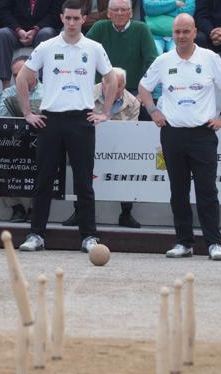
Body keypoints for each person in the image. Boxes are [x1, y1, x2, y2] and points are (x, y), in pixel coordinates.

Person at [17, 0, 118, 253]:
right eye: (68, 18)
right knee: (43, 181)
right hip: (50, 120)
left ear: (84, 19)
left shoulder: (94, 47)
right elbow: (22, 77)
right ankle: (36, 235)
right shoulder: (46, 46)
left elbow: (111, 78)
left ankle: (89, 236)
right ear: (61, 17)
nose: (72, 23)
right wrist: (27, 112)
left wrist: (105, 112)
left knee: (84, 181)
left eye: (76, 18)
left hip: (81, 120)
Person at [138, 13, 221, 261]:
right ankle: (184, 242)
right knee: (178, 191)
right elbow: (143, 88)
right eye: (177, 32)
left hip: (203, 134)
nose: (181, 36)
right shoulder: (163, 60)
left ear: (194, 32)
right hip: (172, 134)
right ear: (173, 34)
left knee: (207, 191)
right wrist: (154, 111)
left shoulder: (210, 58)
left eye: (185, 31)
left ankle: (214, 243)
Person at [63, 0, 155, 228]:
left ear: (131, 13)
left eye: (124, 10)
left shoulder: (142, 29)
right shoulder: (101, 28)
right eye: (115, 10)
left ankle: (126, 210)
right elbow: (82, 49)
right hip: (98, 91)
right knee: (80, 152)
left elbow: (152, 61)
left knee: (132, 152)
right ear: (109, 12)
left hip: (131, 89)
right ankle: (80, 211)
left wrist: (145, 91)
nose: (120, 13)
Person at [0, 54, 42, 222]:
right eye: (15, 75)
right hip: (14, 142)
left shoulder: (49, 91)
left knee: (49, 162)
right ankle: (17, 208)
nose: (18, 78)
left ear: (35, 72)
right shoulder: (7, 93)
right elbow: (3, 118)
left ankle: (34, 208)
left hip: (41, 142)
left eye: (22, 73)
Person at [0, 0, 62, 89]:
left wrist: (36, 29)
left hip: (41, 30)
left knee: (47, 33)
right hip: (16, 31)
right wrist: (18, 29)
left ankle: (44, 87)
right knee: (2, 34)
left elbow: (56, 14)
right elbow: (3, 12)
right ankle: (5, 87)